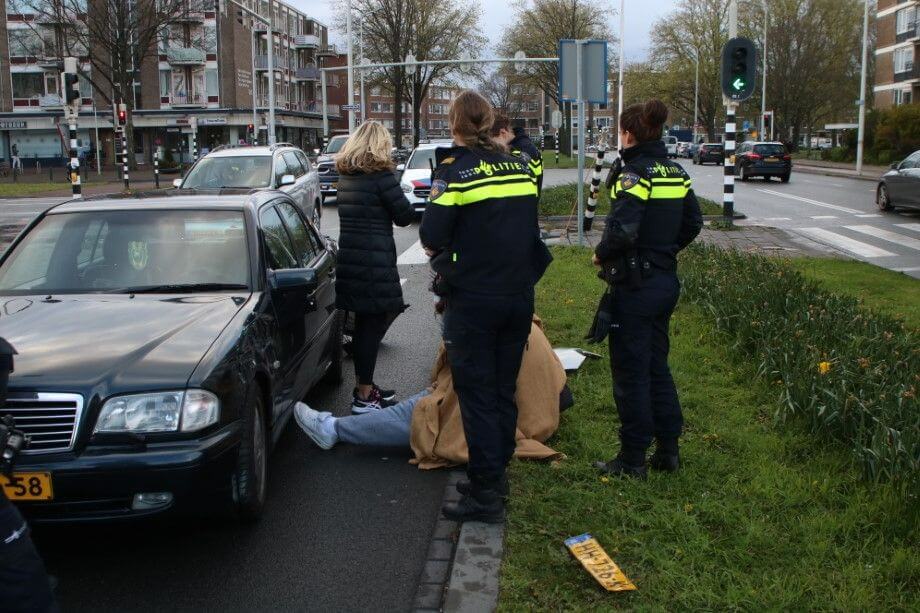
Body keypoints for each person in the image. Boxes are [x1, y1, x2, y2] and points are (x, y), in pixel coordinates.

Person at [419, 90, 549, 523]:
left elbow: (433, 233)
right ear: (491, 123)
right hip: (517, 297)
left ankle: (486, 495)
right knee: (501, 389)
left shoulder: (454, 173)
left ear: (454, 124)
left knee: (476, 395)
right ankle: (495, 475)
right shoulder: (519, 166)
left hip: (473, 299)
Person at [592, 99, 703, 480]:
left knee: (631, 373)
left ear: (628, 133)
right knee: (657, 366)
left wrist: (600, 254)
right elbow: (693, 222)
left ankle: (632, 458)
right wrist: (665, 252)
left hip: (636, 287)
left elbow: (622, 230)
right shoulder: (675, 171)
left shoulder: (635, 174)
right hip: (664, 282)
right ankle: (668, 450)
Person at [293, 318, 569, 469]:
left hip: (502, 412)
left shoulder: (474, 326)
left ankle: (333, 429)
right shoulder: (514, 312)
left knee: (425, 414)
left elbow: (455, 383)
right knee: (432, 400)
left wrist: (434, 395)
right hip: (539, 409)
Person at [335, 121, 414, 413]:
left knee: (369, 324)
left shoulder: (346, 177)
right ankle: (364, 397)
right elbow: (404, 216)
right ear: (380, 144)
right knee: (371, 327)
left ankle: (363, 387)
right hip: (375, 262)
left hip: (352, 261)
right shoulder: (382, 177)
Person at [490, 114, 544, 194]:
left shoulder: (522, 151)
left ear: (503, 133)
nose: (491, 146)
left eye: (492, 141)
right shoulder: (524, 146)